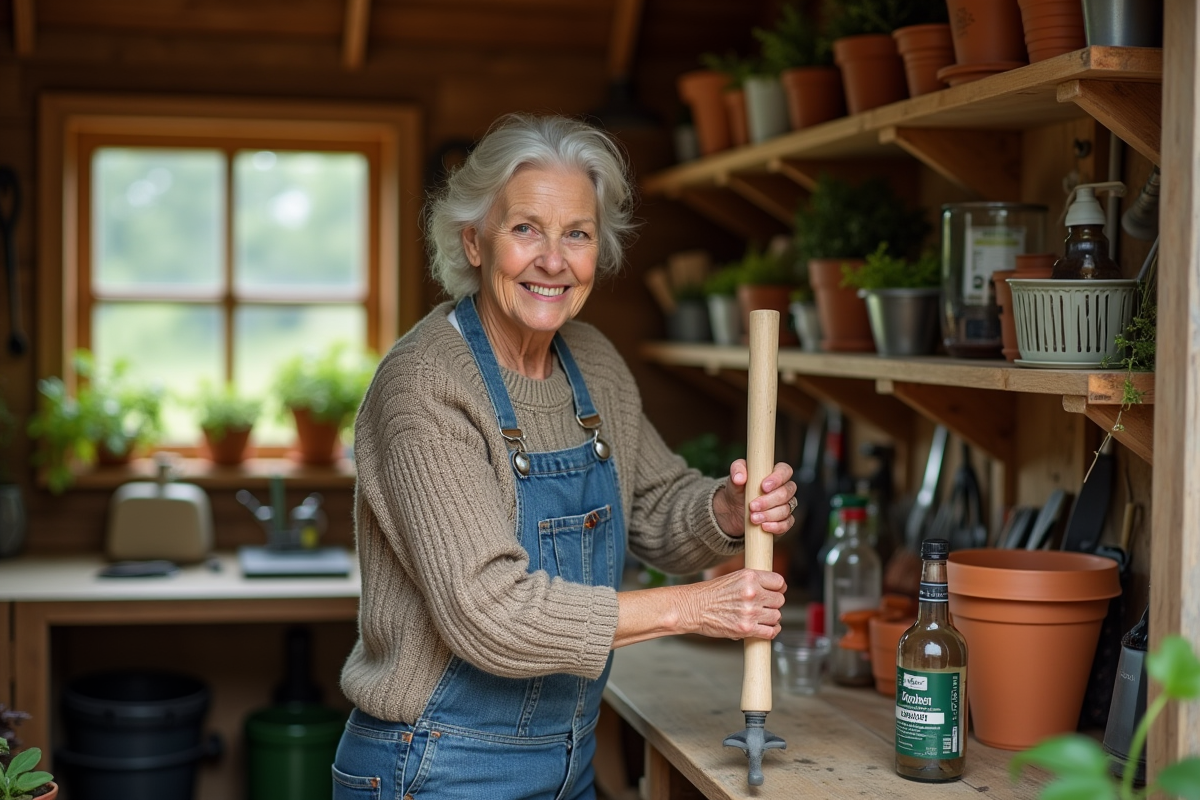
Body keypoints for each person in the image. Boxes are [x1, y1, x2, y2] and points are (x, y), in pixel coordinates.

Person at [333, 113, 797, 800]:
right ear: (473, 241)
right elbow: (489, 614)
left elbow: (652, 508)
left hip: (567, 762)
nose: (554, 260)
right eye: (526, 229)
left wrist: (725, 510)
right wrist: (692, 609)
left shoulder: (595, 365)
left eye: (576, 234)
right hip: (436, 766)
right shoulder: (424, 386)